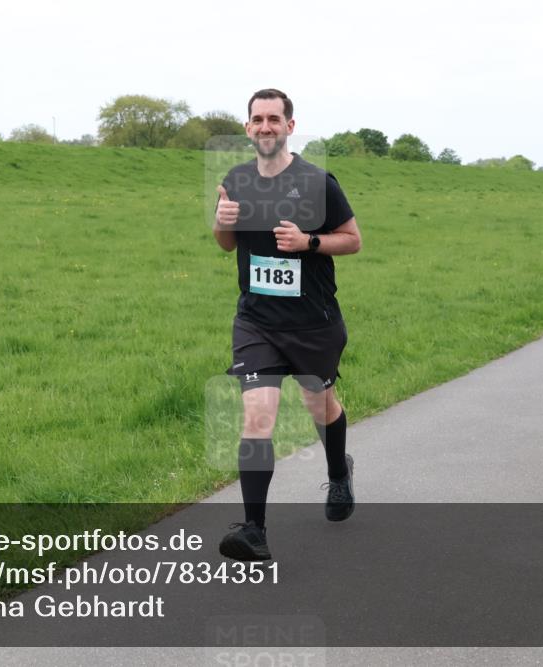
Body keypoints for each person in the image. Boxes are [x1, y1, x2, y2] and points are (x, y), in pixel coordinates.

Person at [212, 89, 362, 561]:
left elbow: (353, 240)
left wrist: (308, 242)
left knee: (320, 405)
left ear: (290, 127)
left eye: (274, 118)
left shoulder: (318, 182)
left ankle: (339, 473)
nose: (265, 127)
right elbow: (225, 244)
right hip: (256, 321)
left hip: (312, 322)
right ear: (247, 127)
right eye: (257, 119)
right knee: (258, 416)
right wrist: (221, 221)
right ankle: (253, 530)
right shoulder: (235, 180)